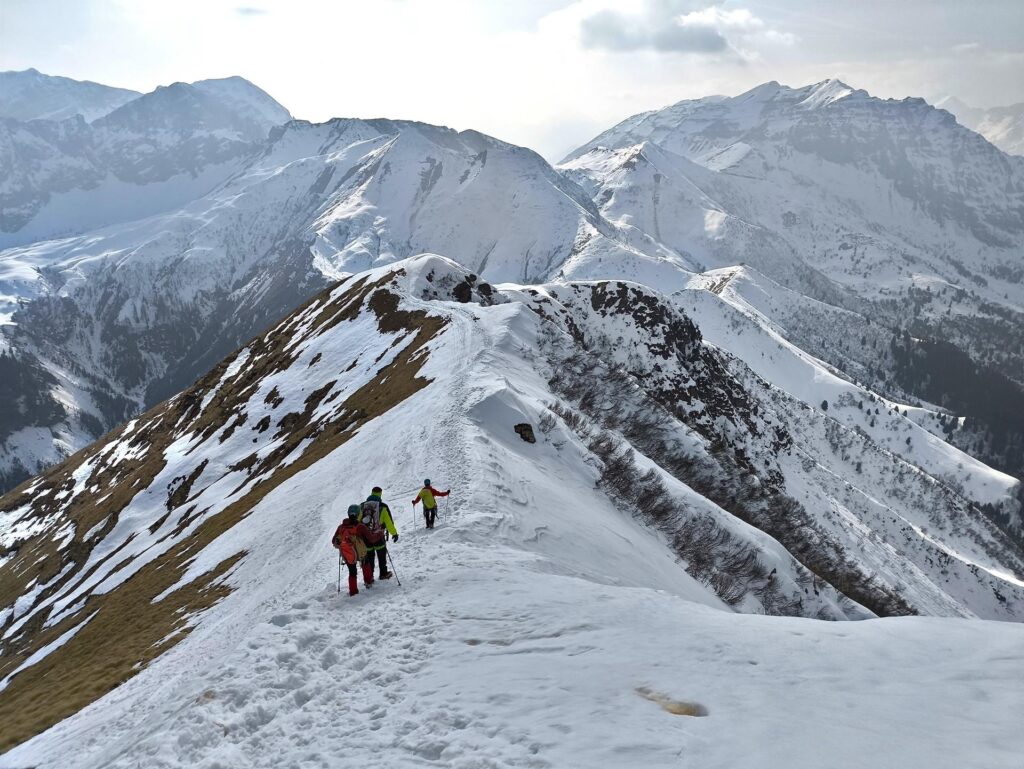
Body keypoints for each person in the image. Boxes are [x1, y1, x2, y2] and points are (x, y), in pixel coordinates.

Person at [332, 505, 374, 596]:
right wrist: (379, 534)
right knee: (365, 564)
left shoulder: (341, 527)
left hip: (348, 554)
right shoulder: (360, 526)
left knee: (352, 572)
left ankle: (353, 591)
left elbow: (333, 541)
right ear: (359, 514)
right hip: (360, 552)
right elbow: (371, 538)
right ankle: (368, 582)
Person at [361, 486, 398, 579]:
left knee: (369, 557)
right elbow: (389, 522)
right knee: (381, 555)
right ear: (380, 494)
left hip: (366, 537)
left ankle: (370, 577)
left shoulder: (362, 506)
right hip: (378, 536)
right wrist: (394, 533)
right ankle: (383, 573)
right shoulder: (383, 507)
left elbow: (358, 522)